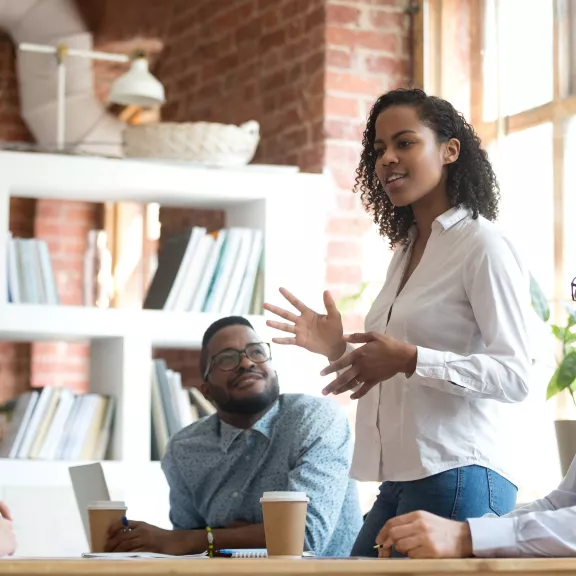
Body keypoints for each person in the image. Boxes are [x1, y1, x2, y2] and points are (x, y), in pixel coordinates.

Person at [264, 88, 531, 557]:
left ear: (450, 150)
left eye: (404, 143)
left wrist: (409, 358)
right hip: (402, 479)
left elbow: (515, 375)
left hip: (461, 473)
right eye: (378, 149)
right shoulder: (406, 252)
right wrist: (336, 350)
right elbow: (396, 366)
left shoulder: (481, 246)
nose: (387, 158)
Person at [106, 316, 362, 557]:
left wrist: (201, 539)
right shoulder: (184, 449)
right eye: (227, 359)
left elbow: (303, 537)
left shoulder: (315, 419)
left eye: (257, 352)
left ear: (273, 370)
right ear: (206, 391)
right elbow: (188, 554)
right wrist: (218, 538)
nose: (246, 362)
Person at [375, 454, 576, 558]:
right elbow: (560, 503)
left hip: (455, 469)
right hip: (403, 471)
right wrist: (470, 531)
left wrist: (468, 536)